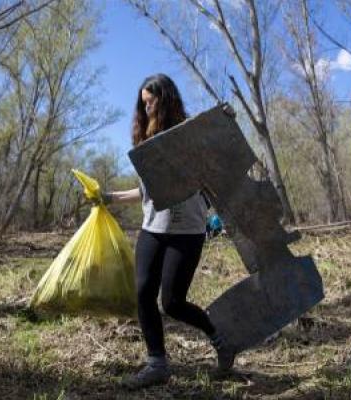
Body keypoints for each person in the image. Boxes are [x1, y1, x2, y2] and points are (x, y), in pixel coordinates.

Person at [99, 74, 235, 389]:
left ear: (167, 98)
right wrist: (109, 198)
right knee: (143, 291)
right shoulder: (148, 144)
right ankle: (156, 363)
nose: (146, 109)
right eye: (143, 104)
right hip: (152, 227)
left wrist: (226, 124)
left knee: (172, 302)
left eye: (151, 101)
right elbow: (146, 192)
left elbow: (221, 162)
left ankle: (220, 340)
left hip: (187, 229)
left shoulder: (191, 134)